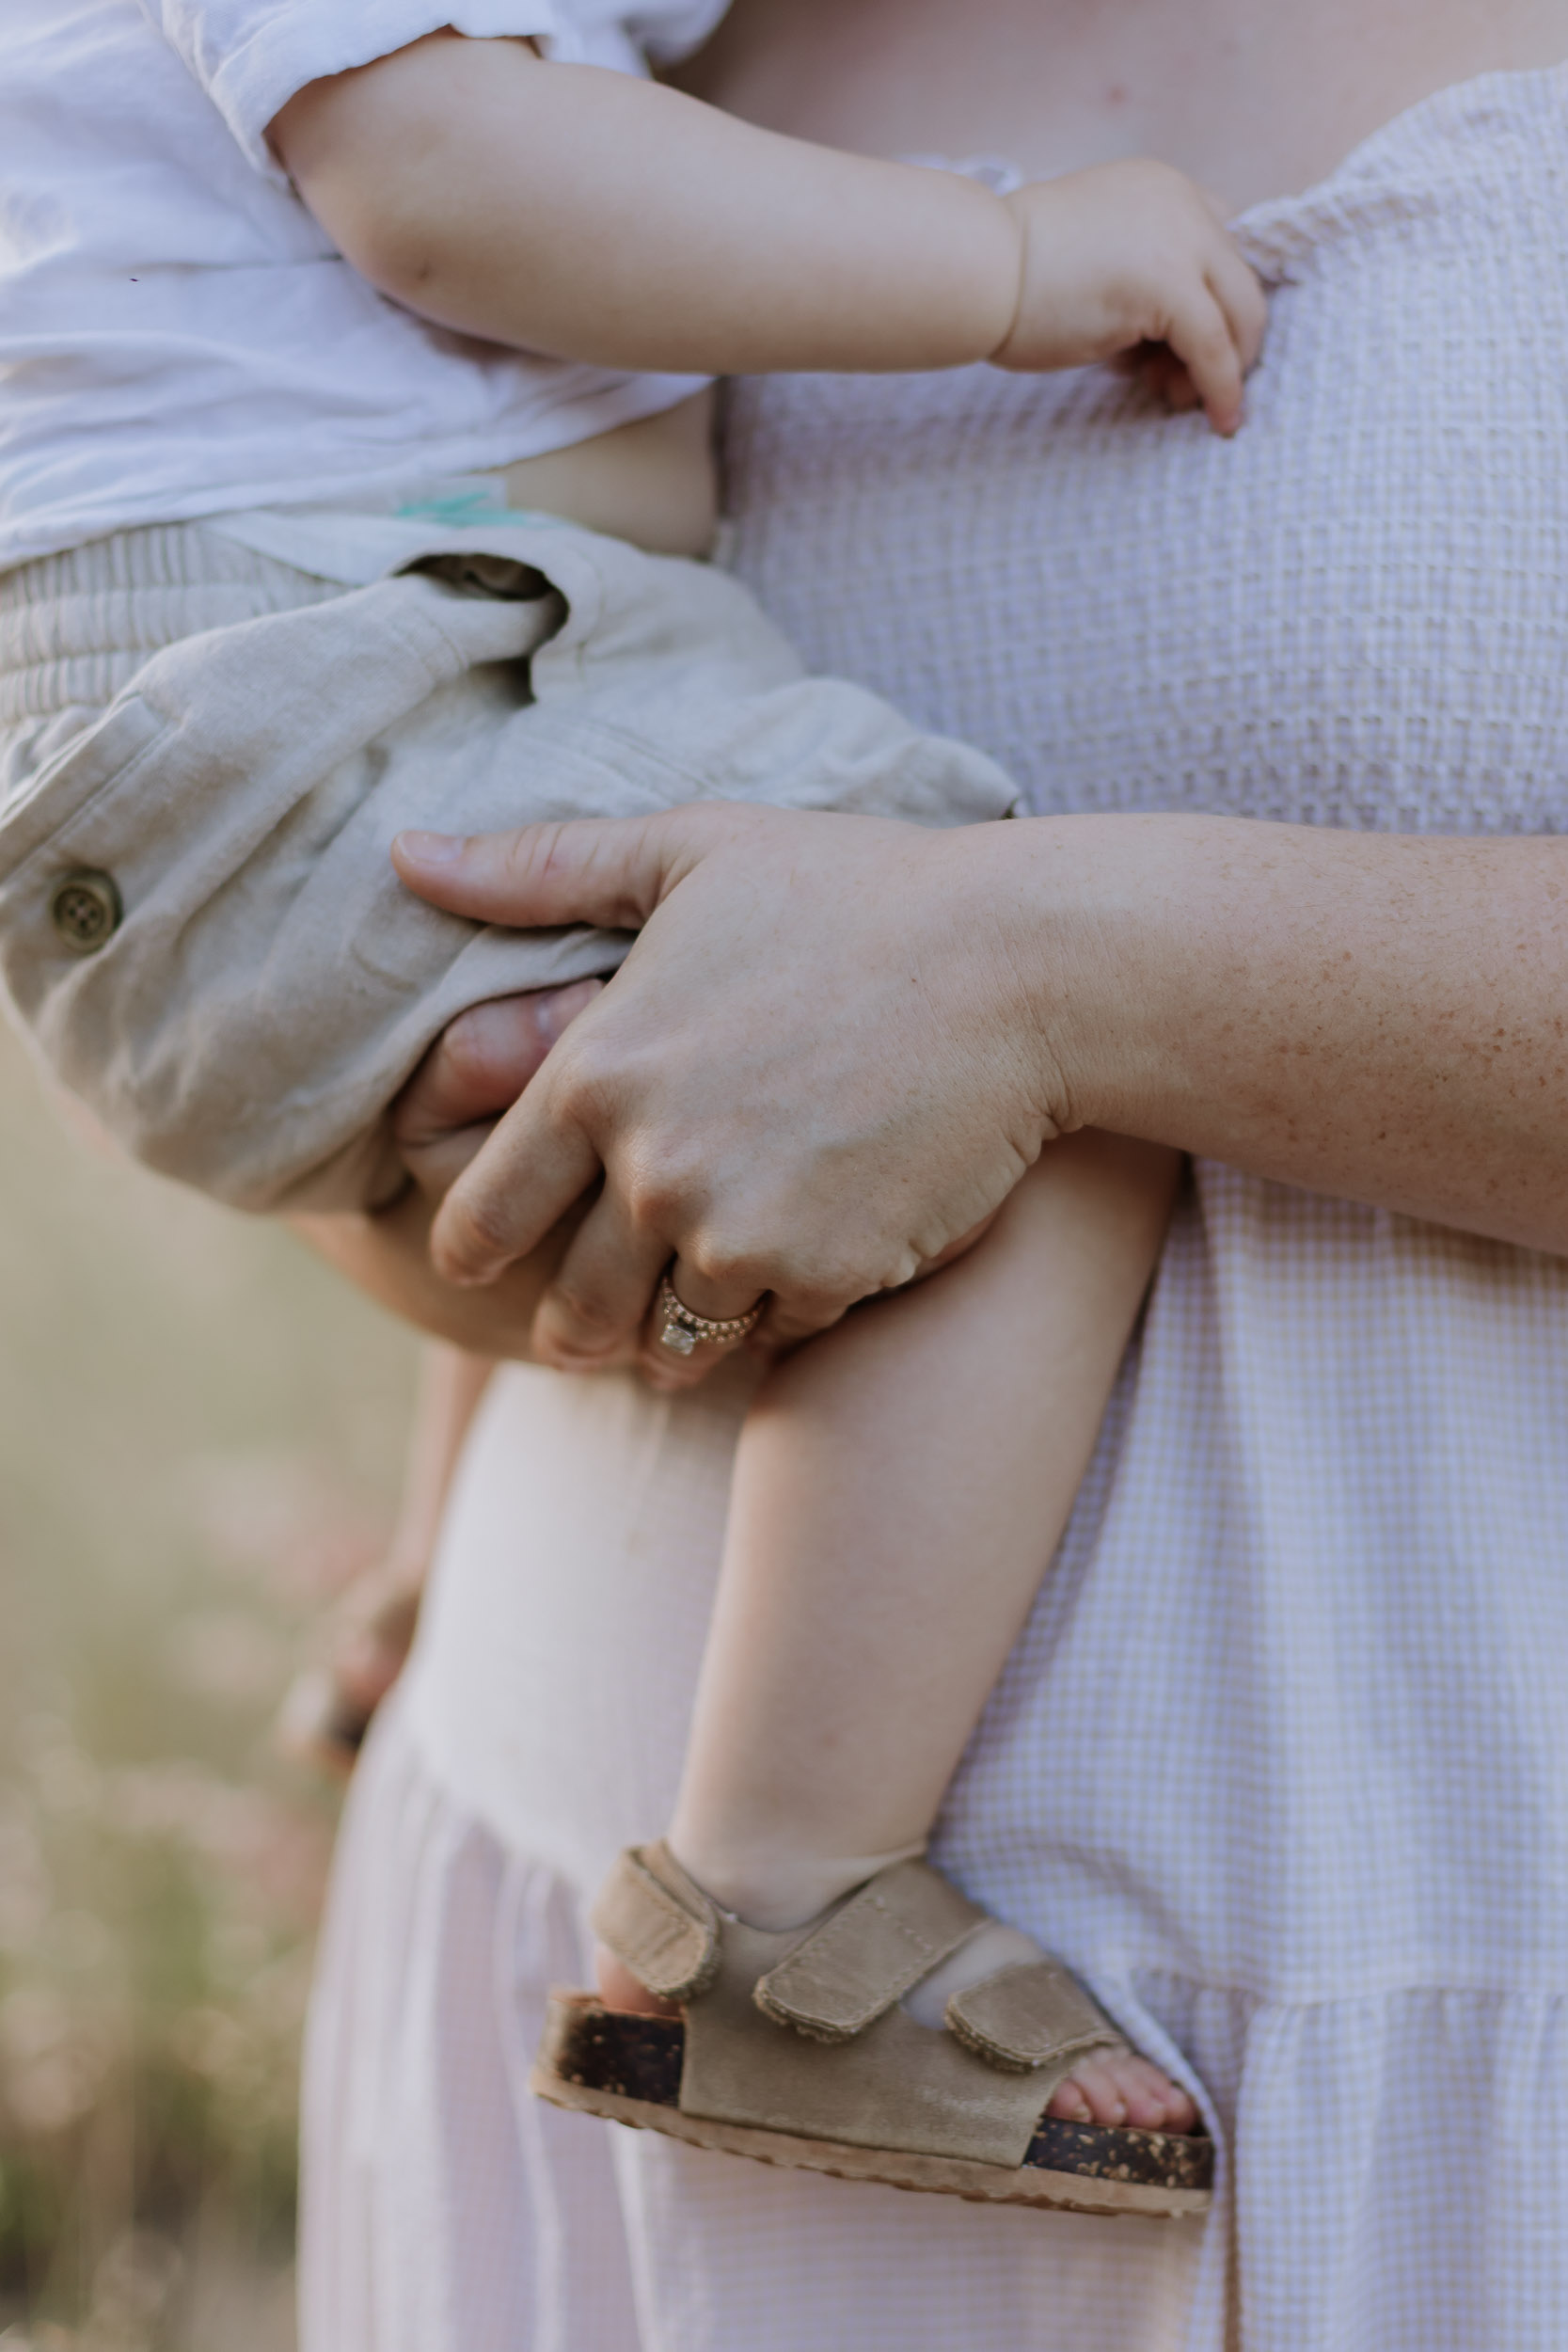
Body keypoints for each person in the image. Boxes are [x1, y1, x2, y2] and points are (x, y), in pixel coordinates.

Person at [289, 3, 1568, 2346]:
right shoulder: (577, 39)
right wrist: (451, 1186)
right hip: (578, 2032)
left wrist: (1056, 981)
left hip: (1460, 2107)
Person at [0, 1, 1270, 2192]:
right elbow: (445, 175)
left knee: (671, 1010)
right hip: (340, 656)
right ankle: (781, 1916)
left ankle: (432, 1553)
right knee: (1003, 1037)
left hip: (343, 672)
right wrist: (1014, 261)